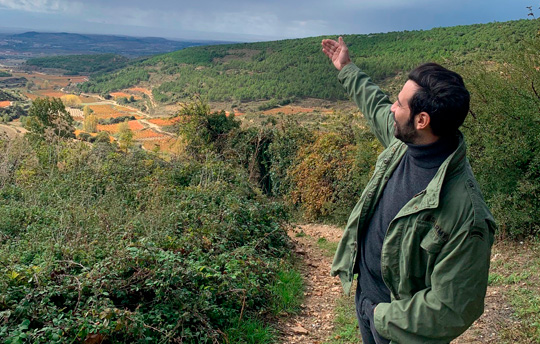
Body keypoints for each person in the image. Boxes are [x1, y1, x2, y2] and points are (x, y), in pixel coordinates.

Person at [322, 37, 496, 344]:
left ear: (422, 120)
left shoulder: (465, 212)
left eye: (400, 103)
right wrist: (346, 68)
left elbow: (452, 307)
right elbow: (375, 106)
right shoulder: (404, 144)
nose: (393, 107)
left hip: (402, 327)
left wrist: (380, 317)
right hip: (369, 300)